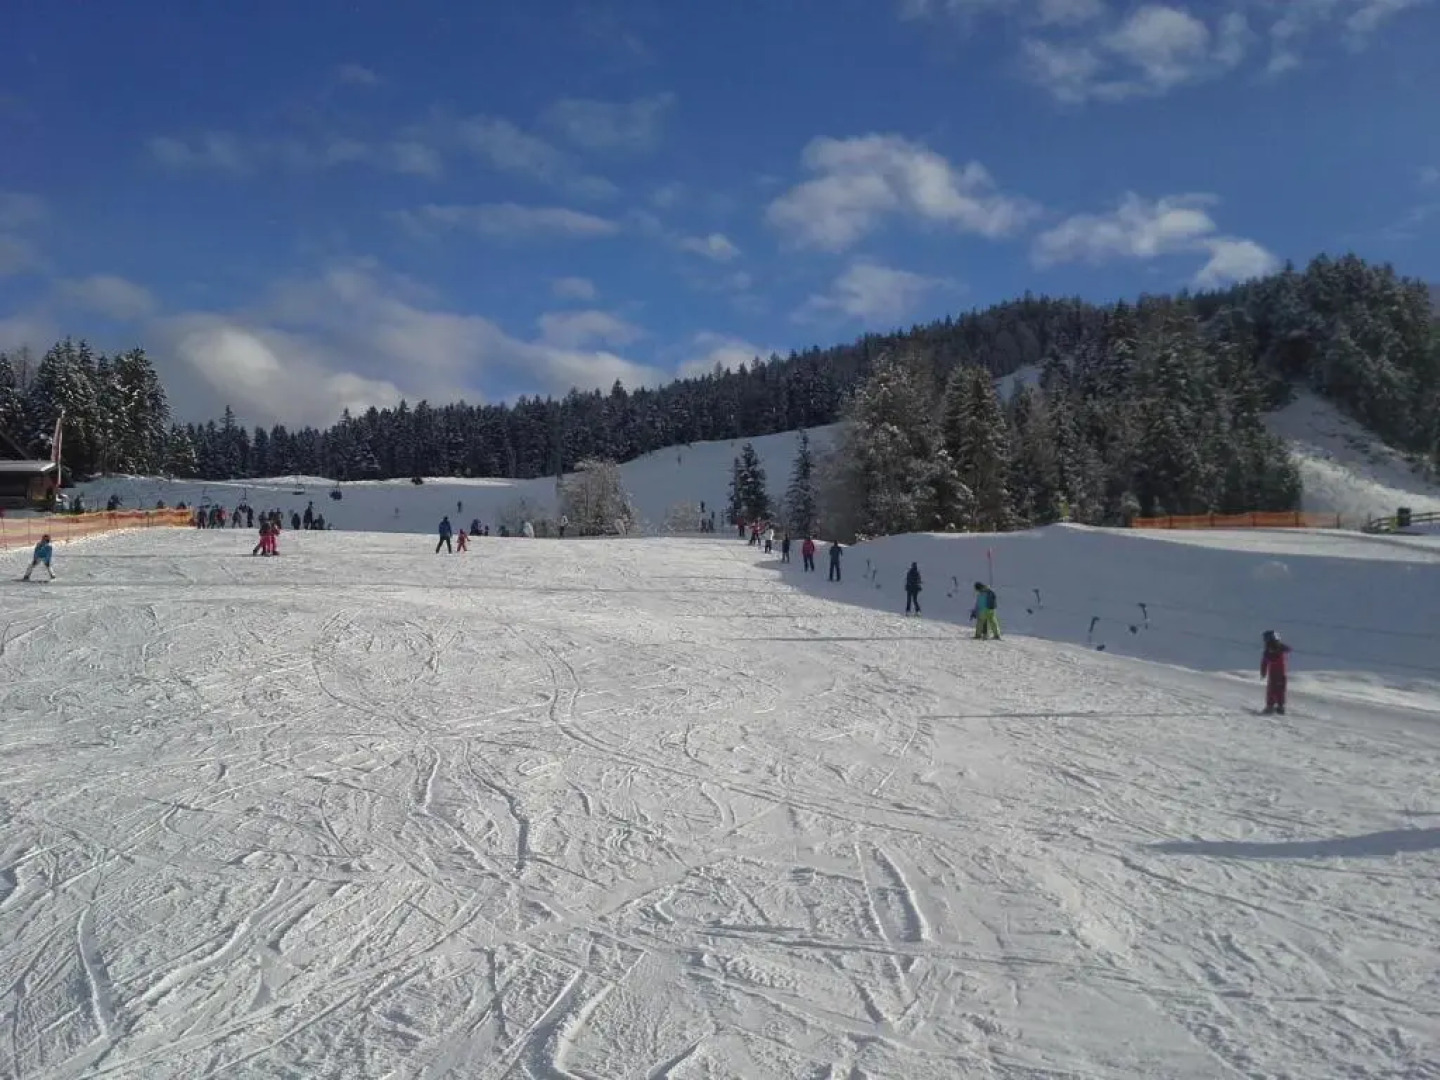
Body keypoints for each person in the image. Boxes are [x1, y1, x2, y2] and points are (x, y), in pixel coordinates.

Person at [1260, 630, 1291, 715]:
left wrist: (1263, 672)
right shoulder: (1278, 648)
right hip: (1280, 673)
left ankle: (1273, 706)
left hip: (1276, 673)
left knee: (1273, 689)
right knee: (1278, 690)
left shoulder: (1271, 650)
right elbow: (1288, 649)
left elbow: (1265, 662)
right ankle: (1279, 706)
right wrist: (1263, 671)